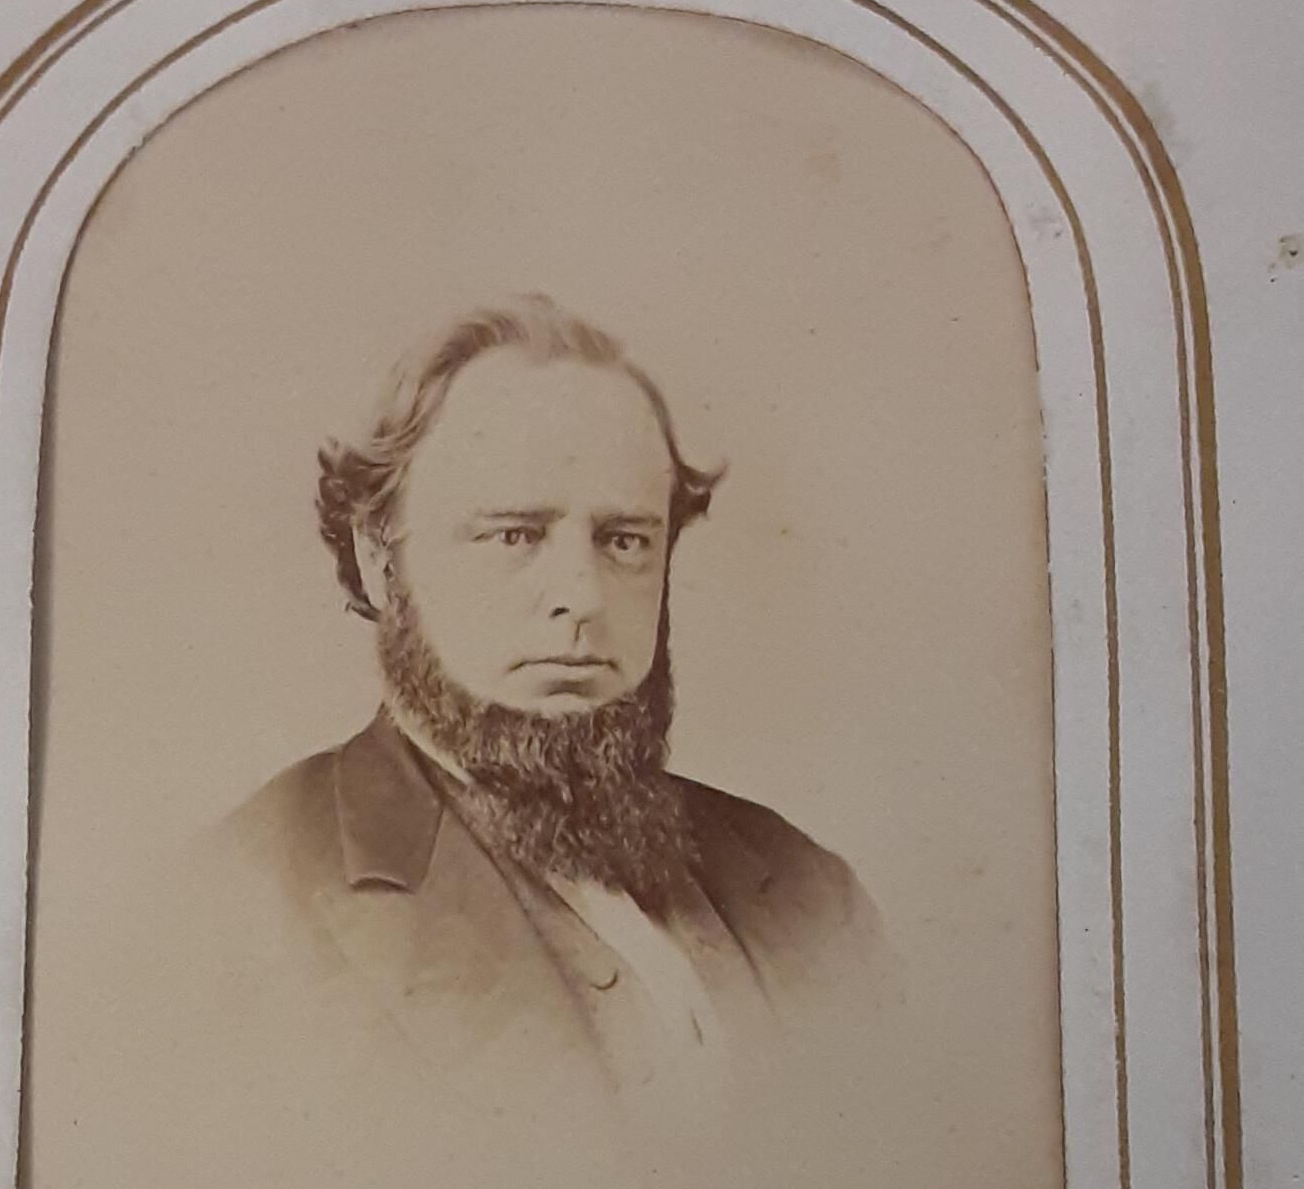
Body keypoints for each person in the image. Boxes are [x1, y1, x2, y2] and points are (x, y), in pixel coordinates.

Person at [204, 293, 882, 1135]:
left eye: (624, 540)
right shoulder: (243, 909)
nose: (583, 597)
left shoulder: (809, 889)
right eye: (514, 536)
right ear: (379, 563)